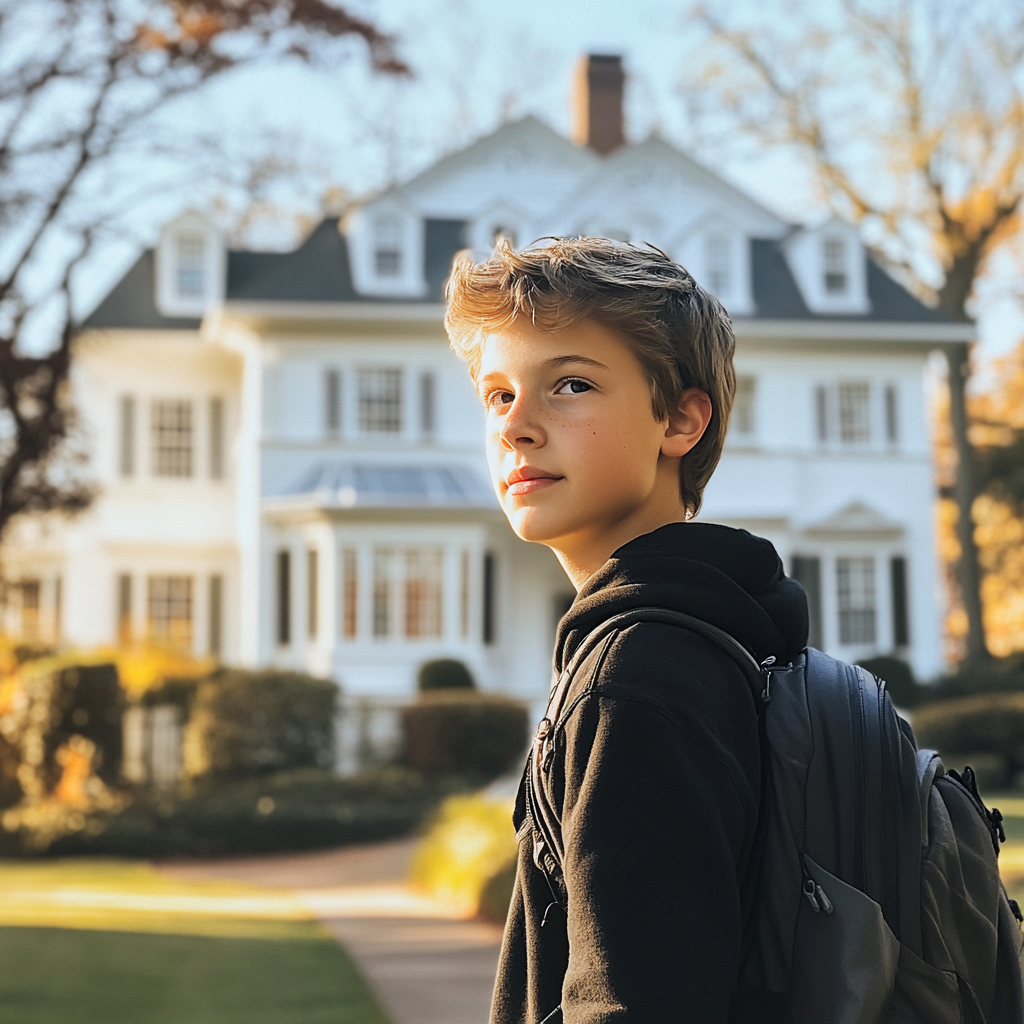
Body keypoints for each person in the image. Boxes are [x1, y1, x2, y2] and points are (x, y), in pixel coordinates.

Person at [445, 238, 808, 1024]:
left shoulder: (635, 679)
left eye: (569, 385)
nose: (517, 428)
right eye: (498, 396)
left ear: (680, 419)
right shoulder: (727, 634)